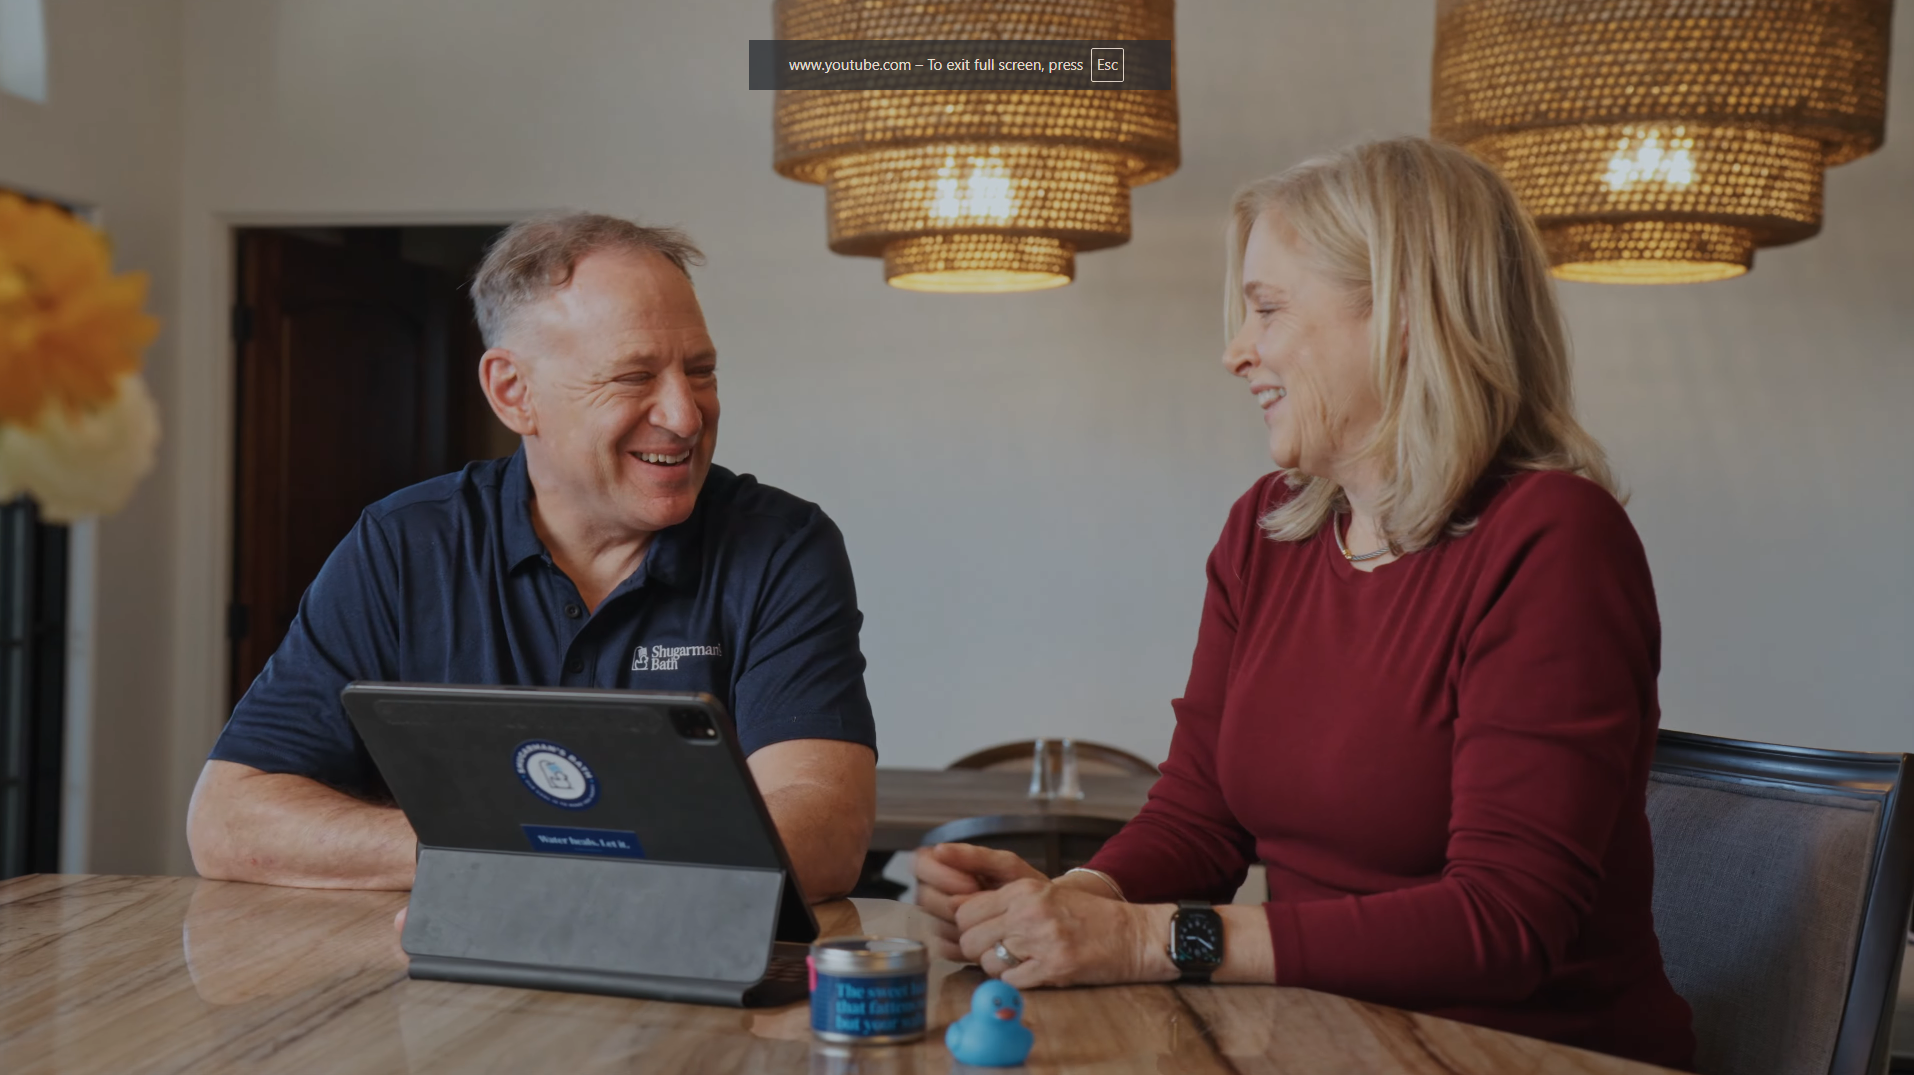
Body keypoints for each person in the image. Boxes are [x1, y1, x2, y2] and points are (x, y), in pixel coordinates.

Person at [915, 137, 1696, 1069]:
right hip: (1324, 1041)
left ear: (1402, 314)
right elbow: (1200, 816)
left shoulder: (1553, 539)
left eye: (1268, 309)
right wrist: (1072, 900)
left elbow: (1503, 923)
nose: (1236, 352)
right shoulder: (1267, 532)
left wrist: (1148, 938)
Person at [188, 213, 877, 903]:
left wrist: (519, 852)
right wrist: (500, 849)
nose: (686, 415)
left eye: (700, 371)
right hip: (438, 969)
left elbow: (824, 834)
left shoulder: (782, 548)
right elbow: (227, 819)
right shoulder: (404, 545)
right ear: (513, 392)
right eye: (634, 376)